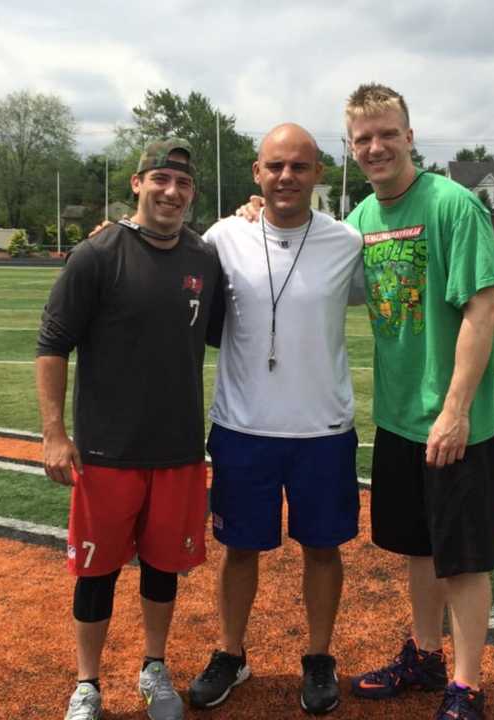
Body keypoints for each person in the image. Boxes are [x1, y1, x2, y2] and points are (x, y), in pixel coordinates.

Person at [35, 138, 224, 720]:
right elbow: (51, 345)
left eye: (183, 184)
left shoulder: (203, 258)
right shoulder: (98, 253)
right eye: (160, 179)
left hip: (177, 449)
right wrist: (53, 433)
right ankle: (87, 683)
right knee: (96, 570)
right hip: (105, 450)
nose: (171, 192)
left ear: (192, 194)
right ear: (138, 183)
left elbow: (219, 332)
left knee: (164, 568)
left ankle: (154, 666)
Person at [187, 123, 364, 715]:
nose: (286, 177)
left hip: (323, 431)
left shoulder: (347, 242)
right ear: (257, 174)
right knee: (240, 550)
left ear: (317, 174)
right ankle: (231, 654)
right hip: (243, 428)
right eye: (275, 167)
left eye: (300, 167)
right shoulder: (223, 236)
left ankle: (318, 658)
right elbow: (165, 264)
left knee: (322, 548)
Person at [344, 84, 494, 720]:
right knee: (419, 547)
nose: (377, 146)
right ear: (351, 148)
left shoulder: (453, 204)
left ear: (410, 136)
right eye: (363, 138)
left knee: (462, 558)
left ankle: (466, 686)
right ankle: (423, 654)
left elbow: (481, 309)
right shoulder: (359, 220)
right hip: (398, 418)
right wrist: (253, 213)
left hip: (455, 420)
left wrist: (457, 407)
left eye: (388, 133)